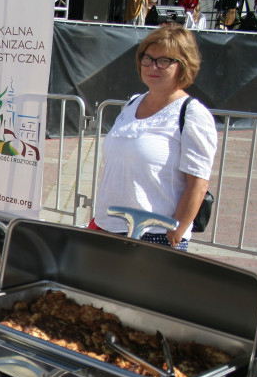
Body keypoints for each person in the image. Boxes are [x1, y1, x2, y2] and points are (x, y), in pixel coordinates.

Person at [89, 24, 217, 251]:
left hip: (154, 235)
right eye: (148, 58)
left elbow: (198, 183)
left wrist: (175, 233)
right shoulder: (133, 103)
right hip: (107, 226)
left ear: (183, 65)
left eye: (164, 61)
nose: (152, 67)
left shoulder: (192, 114)